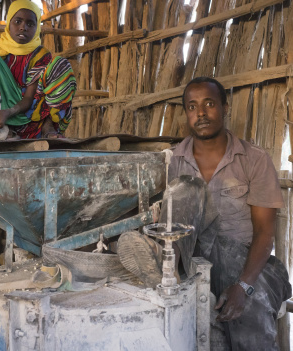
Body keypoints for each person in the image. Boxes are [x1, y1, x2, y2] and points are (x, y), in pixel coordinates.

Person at [118, 76, 291, 350]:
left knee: (252, 314)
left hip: (243, 260)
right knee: (185, 190)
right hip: (190, 257)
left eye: (209, 104)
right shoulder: (171, 161)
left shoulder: (254, 160)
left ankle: (172, 270)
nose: (200, 113)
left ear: (225, 107)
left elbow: (265, 233)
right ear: (186, 113)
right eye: (192, 106)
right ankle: (166, 268)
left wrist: (243, 286)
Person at [0, 0, 76, 139]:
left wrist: (8, 112)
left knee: (60, 65)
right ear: (9, 23)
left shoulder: (39, 55)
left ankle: (49, 126)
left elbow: (29, 98)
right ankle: (4, 130)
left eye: (30, 24)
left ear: (37, 28)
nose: (23, 27)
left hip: (30, 115)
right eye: (17, 22)